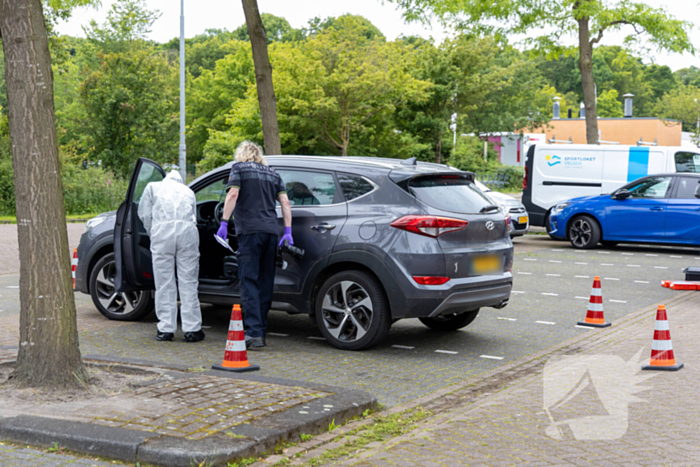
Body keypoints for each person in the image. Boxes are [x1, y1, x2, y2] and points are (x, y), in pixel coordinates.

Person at [216, 141, 292, 349]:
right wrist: (287, 231)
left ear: (242, 154)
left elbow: (232, 194)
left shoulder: (238, 168)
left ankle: (254, 334)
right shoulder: (273, 174)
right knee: (265, 282)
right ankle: (261, 329)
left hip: (250, 232)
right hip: (271, 233)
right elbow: (285, 203)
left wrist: (224, 222)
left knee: (249, 281)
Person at [138, 170, 205, 343]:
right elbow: (193, 217)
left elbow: (144, 213)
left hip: (162, 233)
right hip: (187, 234)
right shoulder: (188, 191)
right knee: (188, 282)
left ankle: (166, 329)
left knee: (164, 283)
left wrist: (153, 230)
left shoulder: (153, 187)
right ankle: (192, 329)